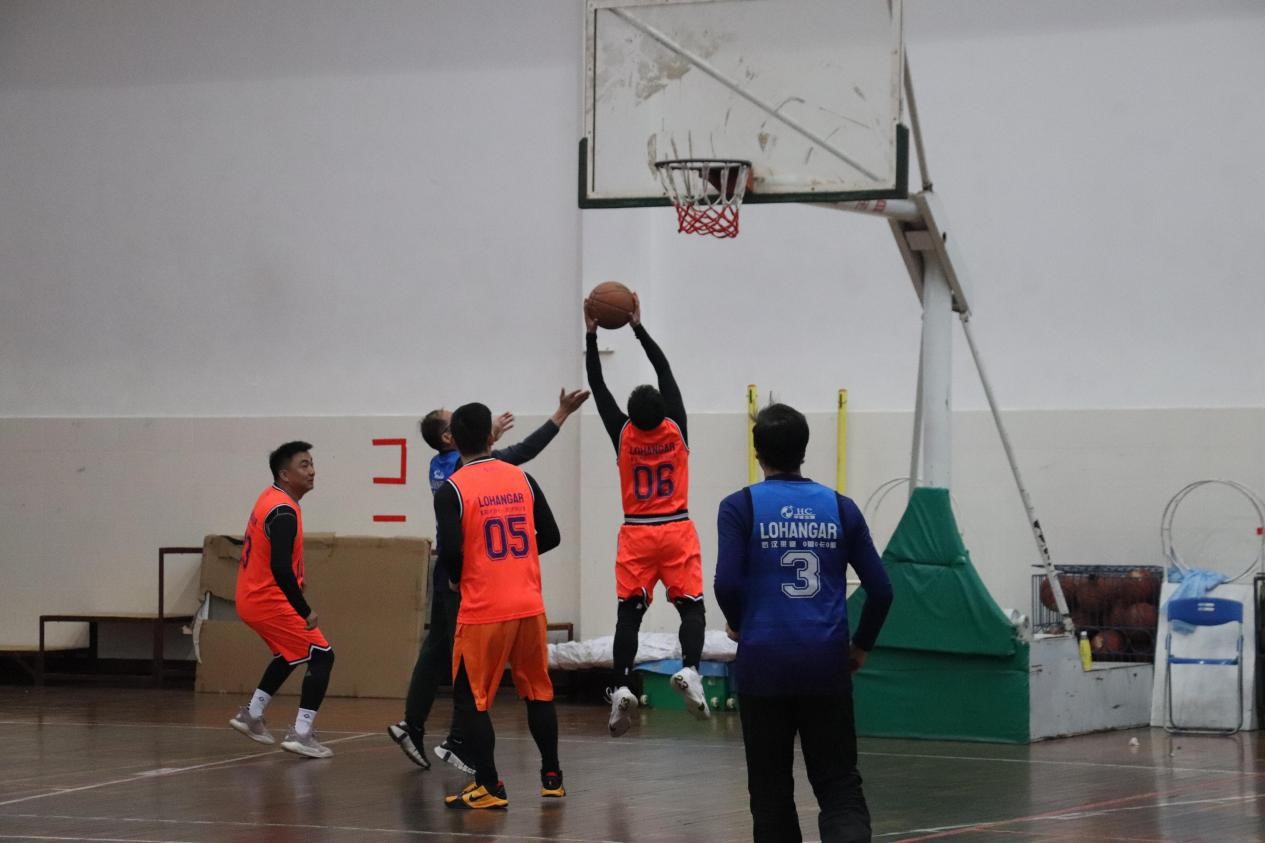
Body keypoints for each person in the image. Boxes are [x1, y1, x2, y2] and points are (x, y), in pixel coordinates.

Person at [714, 404, 894, 843]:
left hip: (763, 665)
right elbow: (882, 590)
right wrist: (861, 645)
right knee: (838, 785)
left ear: (758, 453)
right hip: (826, 663)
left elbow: (725, 583)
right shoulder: (841, 508)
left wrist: (738, 624)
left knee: (770, 791)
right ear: (804, 451)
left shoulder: (739, 507)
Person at [388, 388, 588, 772]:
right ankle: (459, 741)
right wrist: (560, 415)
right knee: (466, 664)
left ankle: (414, 726)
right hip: (469, 571)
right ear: (450, 437)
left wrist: (486, 434)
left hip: (451, 566)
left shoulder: (441, 464)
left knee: (439, 649)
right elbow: (522, 453)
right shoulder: (469, 471)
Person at [584, 293, 708, 736]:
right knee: (691, 610)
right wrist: (637, 326)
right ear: (664, 410)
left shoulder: (622, 433)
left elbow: (598, 387)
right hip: (676, 527)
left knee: (629, 615)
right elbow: (664, 370)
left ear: (631, 416)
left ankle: (621, 685)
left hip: (637, 533)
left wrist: (591, 334)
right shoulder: (676, 428)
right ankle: (690, 669)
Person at [438, 402, 564, 809]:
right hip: (529, 605)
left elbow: (450, 552)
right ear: (491, 437)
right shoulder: (522, 478)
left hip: (484, 610)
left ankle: (490, 785)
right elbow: (551, 535)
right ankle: (552, 778)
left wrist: (459, 576)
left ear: (454, 441)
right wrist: (515, 559)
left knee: (470, 699)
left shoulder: (453, 489)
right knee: (538, 691)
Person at [229, 441, 337, 759]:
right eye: (304, 465)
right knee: (322, 656)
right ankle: (302, 733)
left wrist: (297, 582)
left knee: (290, 655)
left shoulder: (271, 498)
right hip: (267, 600)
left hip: (251, 597)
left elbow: (274, 558)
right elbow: (279, 567)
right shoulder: (284, 512)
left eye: (312, 463)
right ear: (284, 474)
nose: (312, 471)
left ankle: (251, 714)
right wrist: (304, 609)